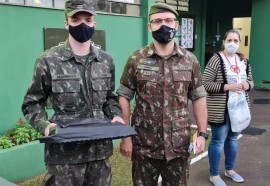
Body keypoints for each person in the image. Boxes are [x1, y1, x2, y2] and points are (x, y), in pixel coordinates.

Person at [21, 0, 124, 185]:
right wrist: (44, 125)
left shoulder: (106, 60)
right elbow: (32, 102)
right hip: (64, 158)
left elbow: (109, 98)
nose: (83, 24)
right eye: (76, 19)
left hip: (99, 155)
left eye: (88, 19)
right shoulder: (48, 60)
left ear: (94, 23)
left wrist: (115, 114)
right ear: (66, 23)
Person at [116, 2, 208, 186]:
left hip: (178, 145)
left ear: (176, 24)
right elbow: (124, 96)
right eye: (157, 21)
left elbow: (198, 97)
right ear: (149, 26)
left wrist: (202, 134)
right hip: (144, 146)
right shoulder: (137, 58)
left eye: (168, 20)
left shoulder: (189, 60)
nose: (163, 25)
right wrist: (126, 136)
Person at [202, 29, 254, 186]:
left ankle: (230, 170)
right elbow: (206, 83)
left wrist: (246, 85)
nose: (233, 43)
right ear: (224, 41)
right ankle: (214, 175)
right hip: (221, 109)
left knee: (232, 139)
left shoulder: (243, 61)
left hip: (238, 108)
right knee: (218, 141)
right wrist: (228, 86)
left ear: (239, 43)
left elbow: (251, 81)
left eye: (236, 41)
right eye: (229, 40)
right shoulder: (216, 59)